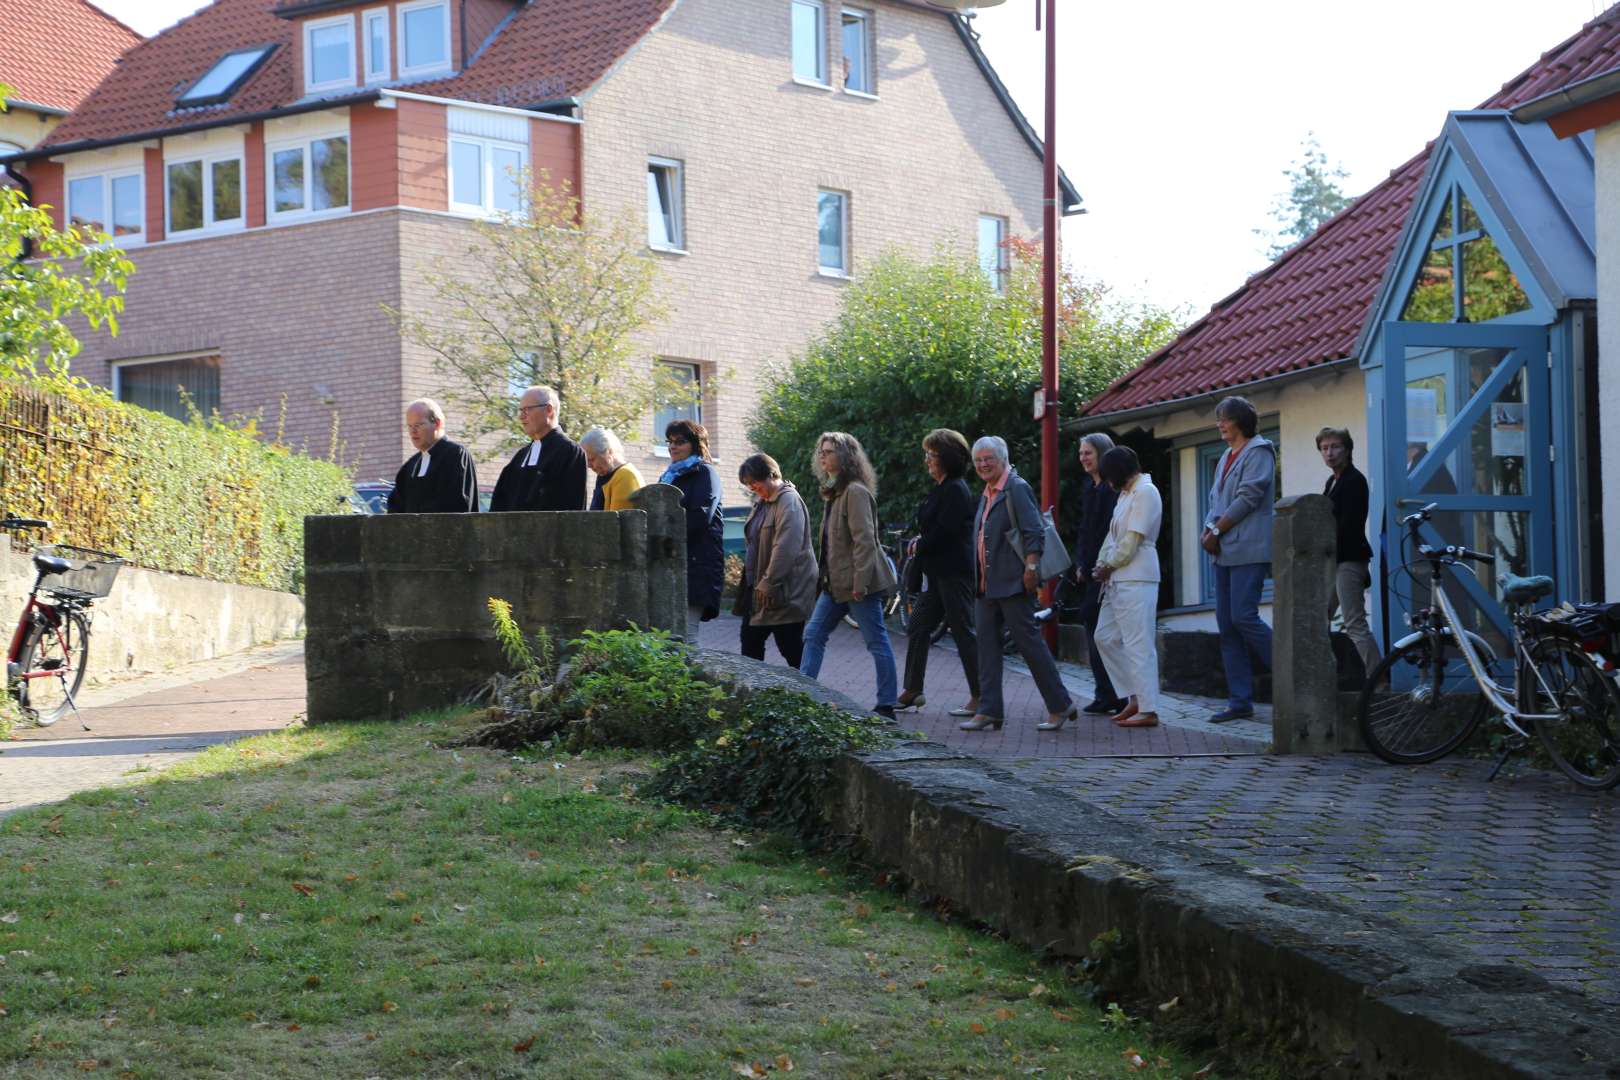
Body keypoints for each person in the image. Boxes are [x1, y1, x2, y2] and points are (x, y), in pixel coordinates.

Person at [961, 435, 1076, 733]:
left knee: (1030, 646)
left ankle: (1060, 705)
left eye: (989, 459)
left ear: (1003, 459)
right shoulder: (988, 491)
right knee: (986, 647)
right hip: (986, 585)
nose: (983, 464)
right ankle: (989, 711)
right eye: (978, 460)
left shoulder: (1016, 488)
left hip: (1013, 582)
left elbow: (1033, 531)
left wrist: (1032, 568)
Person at [798, 431, 900, 718]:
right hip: (836, 584)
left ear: (845, 456)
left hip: (857, 584)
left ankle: (886, 704)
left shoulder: (854, 492)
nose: (823, 456)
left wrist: (860, 583)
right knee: (814, 633)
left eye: (829, 451)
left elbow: (865, 541)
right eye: (821, 451)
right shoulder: (834, 491)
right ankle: (803, 695)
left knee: (876, 641)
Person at [1201, 396, 1275, 723]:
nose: (1220, 424)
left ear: (1241, 421)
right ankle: (1239, 700)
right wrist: (1208, 529)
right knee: (1227, 626)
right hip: (1223, 552)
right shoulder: (1224, 457)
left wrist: (1216, 530)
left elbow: (1250, 497)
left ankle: (1291, 673)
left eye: (1225, 419)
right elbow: (1214, 500)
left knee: (1244, 617)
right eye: (1218, 419)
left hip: (1248, 549)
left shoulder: (1259, 452)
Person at [898, 429, 979, 717]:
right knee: (918, 625)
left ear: (945, 458)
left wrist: (921, 543)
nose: (927, 461)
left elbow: (947, 530)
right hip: (936, 575)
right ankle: (912, 689)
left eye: (931, 455)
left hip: (954, 573)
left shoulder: (956, 489)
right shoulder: (941, 488)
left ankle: (981, 695)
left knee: (963, 632)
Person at [1091, 447, 1163, 728]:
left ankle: (1149, 708)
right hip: (1117, 577)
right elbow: (1113, 536)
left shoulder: (1146, 491)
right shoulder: (1125, 494)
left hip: (1137, 575)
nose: (1108, 482)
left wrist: (1108, 564)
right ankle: (1135, 697)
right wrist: (1102, 563)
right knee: (1105, 637)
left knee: (1138, 642)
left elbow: (1133, 539)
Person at [736, 453, 817, 668]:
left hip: (783, 590)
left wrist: (769, 581)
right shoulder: (763, 502)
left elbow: (786, 546)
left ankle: (811, 695)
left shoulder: (788, 501)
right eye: (749, 484)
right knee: (751, 642)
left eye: (755, 482)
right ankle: (754, 693)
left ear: (772, 475)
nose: (752, 487)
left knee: (790, 647)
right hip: (761, 590)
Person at [1319, 426, 1380, 680]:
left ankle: (1379, 680)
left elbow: (1348, 526)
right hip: (1334, 560)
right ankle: (1323, 674)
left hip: (1349, 560)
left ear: (1347, 449)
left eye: (1335, 447)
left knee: (1354, 623)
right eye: (1324, 448)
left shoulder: (1355, 480)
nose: (1329, 453)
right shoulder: (1333, 480)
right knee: (1318, 618)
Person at [1072, 432, 1124, 715]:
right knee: (1092, 630)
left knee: (1103, 633)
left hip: (1106, 571)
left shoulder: (1111, 490)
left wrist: (1100, 564)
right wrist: (1080, 562)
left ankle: (1116, 694)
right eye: (1081, 453)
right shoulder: (1089, 488)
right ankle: (1103, 692)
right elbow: (1085, 529)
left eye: (1088, 452)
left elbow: (1108, 531)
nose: (1083, 458)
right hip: (1090, 570)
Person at [660, 419, 724, 644]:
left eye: (680, 442)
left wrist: (666, 536)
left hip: (696, 565)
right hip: (672, 564)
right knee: (669, 636)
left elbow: (700, 516)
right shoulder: (668, 476)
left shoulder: (705, 474)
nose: (672, 447)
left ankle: (694, 678)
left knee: (687, 634)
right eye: (669, 441)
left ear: (696, 445)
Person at [489, 385, 587, 512]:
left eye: (527, 410)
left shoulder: (570, 452)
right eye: (520, 410)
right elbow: (499, 505)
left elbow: (571, 511)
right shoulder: (520, 456)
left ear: (549, 410)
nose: (521, 417)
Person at [386, 398, 478, 513]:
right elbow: (395, 509)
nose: (413, 431)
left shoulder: (455, 455)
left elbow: (457, 504)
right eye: (410, 426)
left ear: (437, 424)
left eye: (418, 425)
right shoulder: (410, 466)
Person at [582, 427, 644, 511]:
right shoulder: (605, 476)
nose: (589, 465)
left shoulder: (626, 476)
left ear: (609, 452)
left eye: (592, 459)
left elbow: (617, 520)